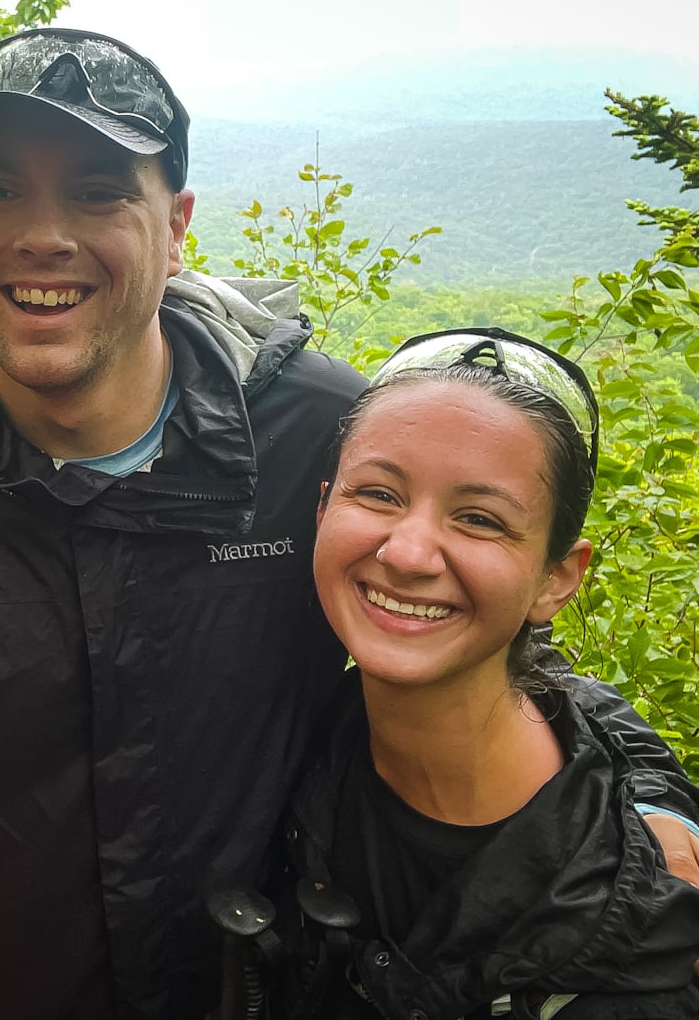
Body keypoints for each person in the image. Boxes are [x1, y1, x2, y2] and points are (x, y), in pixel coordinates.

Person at [0, 28, 699, 1018]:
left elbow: (494, 632)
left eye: (97, 191)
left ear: (176, 226)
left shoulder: (312, 437)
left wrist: (648, 804)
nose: (42, 234)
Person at [215, 329, 699, 1018]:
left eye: (478, 519)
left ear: (557, 579)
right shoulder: (307, 738)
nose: (409, 553)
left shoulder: (633, 963)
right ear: (322, 510)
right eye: (378, 494)